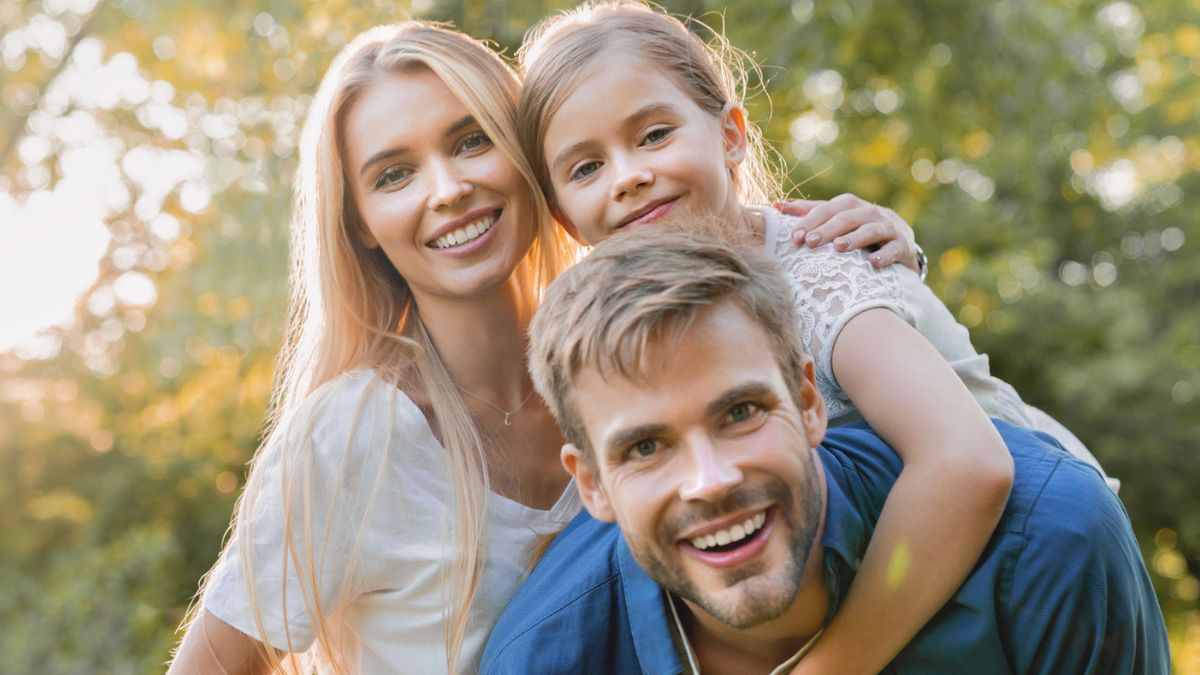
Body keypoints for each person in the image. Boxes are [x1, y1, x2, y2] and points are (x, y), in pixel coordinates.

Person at [482, 226, 1169, 674]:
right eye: (644, 447)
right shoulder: (545, 656)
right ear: (593, 483)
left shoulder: (1052, 545)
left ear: (811, 402)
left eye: (741, 411)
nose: (711, 480)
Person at [168, 23, 583, 674]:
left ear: (523, 146)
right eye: (394, 174)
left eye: (471, 140)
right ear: (360, 221)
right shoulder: (349, 437)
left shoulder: (618, 368)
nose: (447, 190)